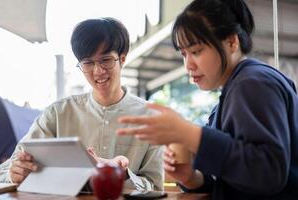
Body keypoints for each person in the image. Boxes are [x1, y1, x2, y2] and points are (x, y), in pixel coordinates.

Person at [116, 0, 298, 199]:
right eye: (184, 54)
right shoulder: (234, 90)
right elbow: (242, 182)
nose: (188, 65)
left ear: (231, 42)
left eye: (196, 51)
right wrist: (193, 178)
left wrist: (186, 132)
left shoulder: (252, 83)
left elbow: (269, 173)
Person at [0, 18, 163, 191]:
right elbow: (6, 169)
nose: (98, 71)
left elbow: (156, 187)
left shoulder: (151, 118)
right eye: (88, 63)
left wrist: (123, 175)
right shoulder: (57, 114)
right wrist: (14, 173)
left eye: (105, 60)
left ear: (122, 59)